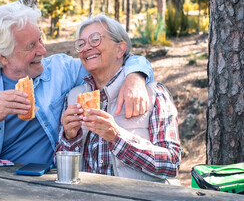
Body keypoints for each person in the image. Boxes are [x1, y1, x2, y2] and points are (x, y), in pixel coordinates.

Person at [0, 0, 154, 165]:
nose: (43, 50)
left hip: (45, 183)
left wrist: (135, 76)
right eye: (30, 47)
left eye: (40, 39)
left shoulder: (60, 70)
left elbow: (115, 60)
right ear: (3, 56)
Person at [55, 14, 181, 183]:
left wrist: (117, 138)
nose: (86, 48)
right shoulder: (73, 97)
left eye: (95, 39)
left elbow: (171, 164)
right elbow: (58, 165)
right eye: (81, 44)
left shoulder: (154, 93)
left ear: (120, 49)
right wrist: (70, 138)